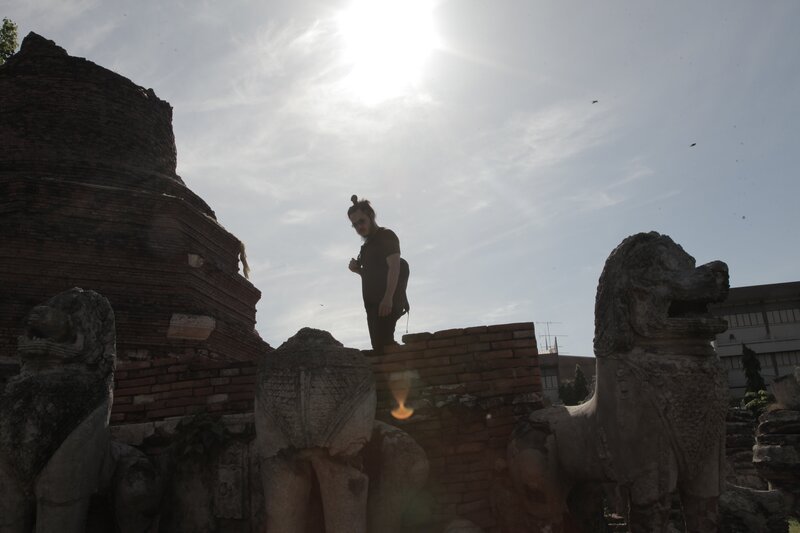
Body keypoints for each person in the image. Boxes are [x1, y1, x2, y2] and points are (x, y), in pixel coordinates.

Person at [347, 195, 409, 354]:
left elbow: (395, 267)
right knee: (379, 347)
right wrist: (357, 270)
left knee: (385, 347)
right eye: (354, 225)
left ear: (370, 216)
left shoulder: (386, 236)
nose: (358, 227)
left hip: (386, 303)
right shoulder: (366, 246)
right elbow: (372, 275)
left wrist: (388, 298)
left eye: (361, 221)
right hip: (372, 307)